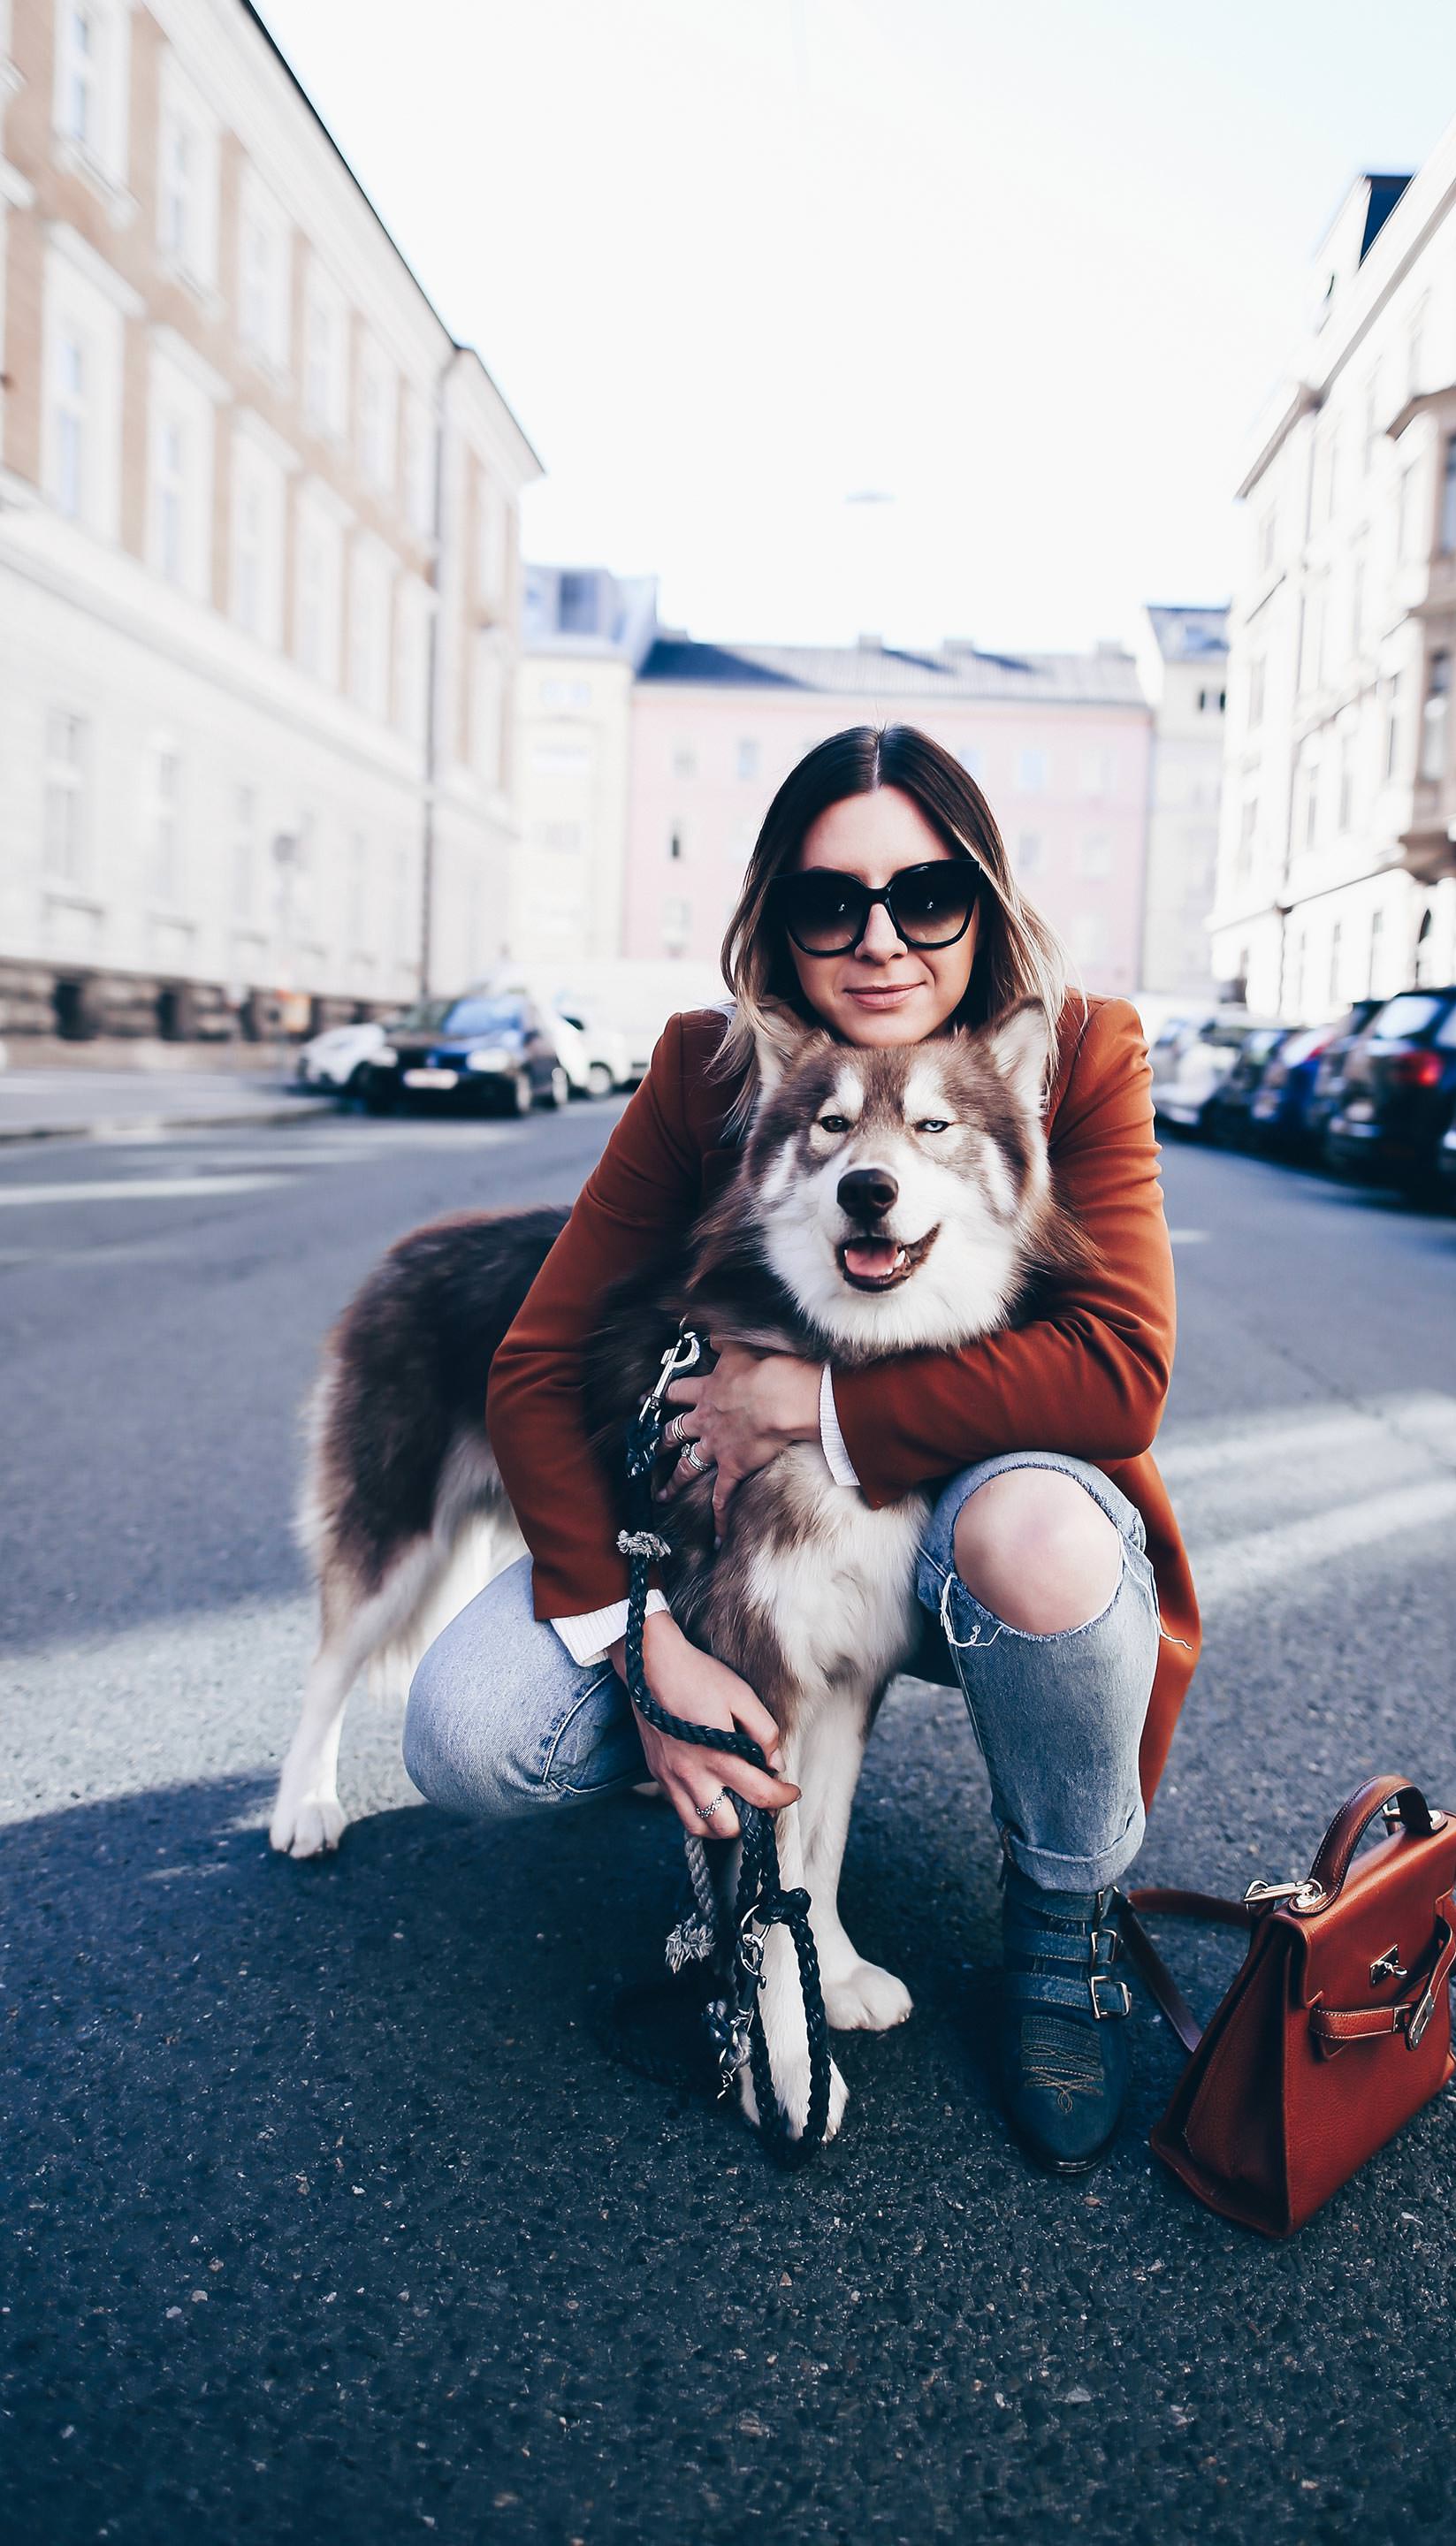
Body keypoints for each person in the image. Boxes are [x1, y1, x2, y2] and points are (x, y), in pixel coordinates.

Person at [403, 726, 1199, 2175]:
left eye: (926, 896)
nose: (882, 939)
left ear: (986, 900)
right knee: (469, 1733)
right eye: (832, 903)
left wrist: (816, 1411)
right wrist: (638, 1641)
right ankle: (749, 1855)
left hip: (991, 1494)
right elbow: (532, 1359)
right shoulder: (719, 1066)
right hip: (776, 1529)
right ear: (778, 919)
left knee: (1040, 1531)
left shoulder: (1078, 1049)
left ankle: (1059, 1925)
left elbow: (1125, 1368)